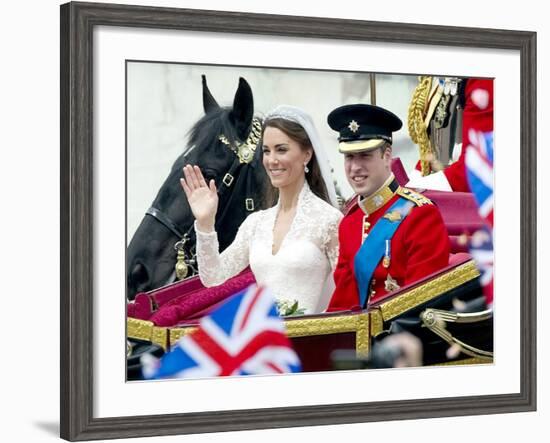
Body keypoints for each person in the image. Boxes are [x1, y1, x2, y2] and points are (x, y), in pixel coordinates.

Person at [180, 105, 342, 315]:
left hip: (310, 342)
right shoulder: (256, 223)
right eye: (266, 151)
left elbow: (345, 293)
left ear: (307, 155)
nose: (271, 160)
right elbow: (213, 277)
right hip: (264, 341)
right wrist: (205, 223)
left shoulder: (329, 220)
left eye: (281, 149)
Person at [326, 104, 450, 311]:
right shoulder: (350, 222)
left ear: (386, 156)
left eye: (365, 155)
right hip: (360, 339)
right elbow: (343, 305)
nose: (355, 167)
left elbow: (422, 303)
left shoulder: (420, 214)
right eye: (349, 157)